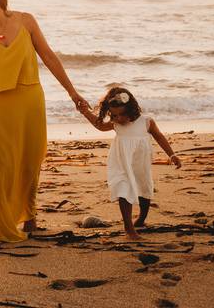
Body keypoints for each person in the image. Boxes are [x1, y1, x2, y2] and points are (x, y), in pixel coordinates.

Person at [0, 0, 89, 242]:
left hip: (30, 100)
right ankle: (1, 225)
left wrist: (72, 91)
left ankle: (29, 216)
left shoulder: (25, 21)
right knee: (1, 166)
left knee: (30, 160)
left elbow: (48, 56)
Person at [77, 86, 182, 240]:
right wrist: (85, 112)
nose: (118, 118)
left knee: (144, 187)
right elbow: (99, 125)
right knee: (123, 188)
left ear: (131, 108)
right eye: (114, 115)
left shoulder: (146, 121)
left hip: (140, 161)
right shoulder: (116, 123)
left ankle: (141, 218)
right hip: (121, 160)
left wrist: (172, 155)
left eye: (122, 114)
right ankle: (129, 228)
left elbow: (159, 137)